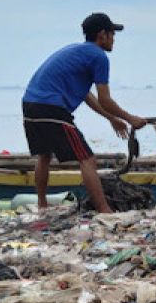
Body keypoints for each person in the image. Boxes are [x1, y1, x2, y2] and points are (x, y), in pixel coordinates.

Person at [22, 13, 147, 212]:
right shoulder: (99, 56)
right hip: (51, 107)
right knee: (87, 159)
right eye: (112, 34)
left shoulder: (77, 51)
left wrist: (112, 118)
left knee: (44, 156)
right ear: (102, 35)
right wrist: (131, 119)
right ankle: (105, 211)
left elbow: (87, 96)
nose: (114, 38)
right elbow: (105, 98)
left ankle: (42, 206)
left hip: (30, 104)